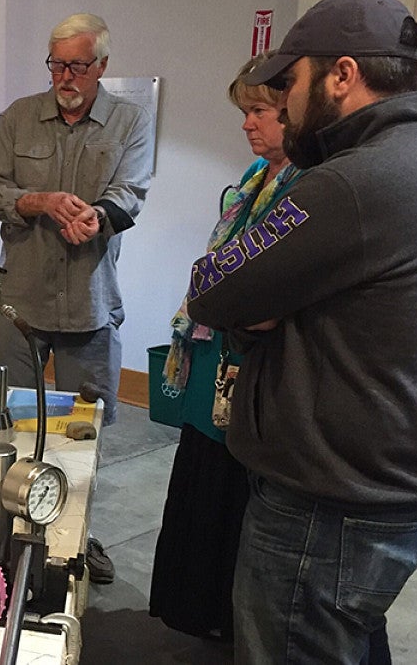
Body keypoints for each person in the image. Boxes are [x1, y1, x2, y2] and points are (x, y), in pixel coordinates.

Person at [185, 0, 417, 662]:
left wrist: (266, 309)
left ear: (342, 75)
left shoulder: (353, 181)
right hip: (378, 497)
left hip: (326, 511)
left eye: (292, 81)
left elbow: (210, 288)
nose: (283, 101)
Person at [0, 12, 152, 586]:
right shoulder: (17, 117)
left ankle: (76, 535)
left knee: (83, 432)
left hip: (89, 304)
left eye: (77, 64)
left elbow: (132, 192)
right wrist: (40, 202)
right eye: (56, 64)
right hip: (19, 305)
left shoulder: (130, 120)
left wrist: (95, 216)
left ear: (102, 65)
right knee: (5, 422)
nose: (65, 76)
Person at [149, 51, 301, 642]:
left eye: (260, 111)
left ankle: (225, 623)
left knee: (233, 503)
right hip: (214, 363)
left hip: (253, 372)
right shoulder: (252, 180)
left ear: (295, 114)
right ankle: (198, 617)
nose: (247, 124)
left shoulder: (308, 187)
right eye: (246, 111)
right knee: (201, 488)